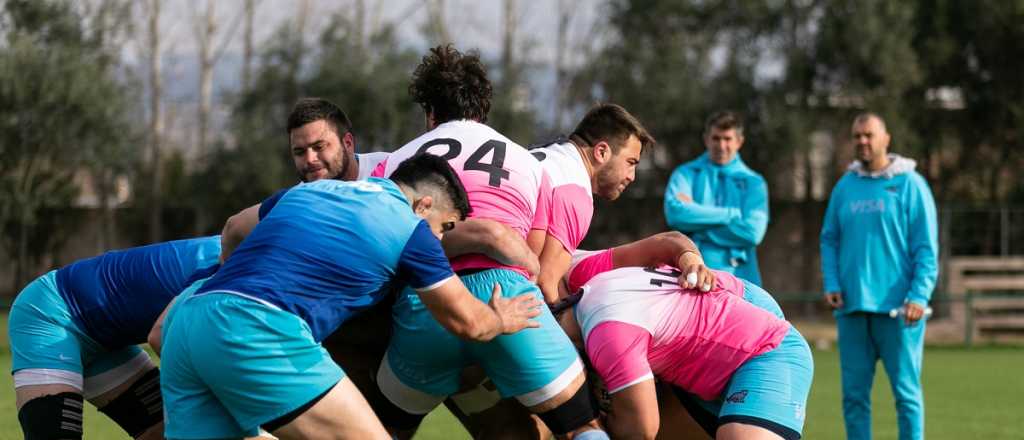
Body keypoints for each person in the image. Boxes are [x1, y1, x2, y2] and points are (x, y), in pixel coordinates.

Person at [159, 154, 541, 439]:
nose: (442, 239)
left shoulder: (313, 190)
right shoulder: (411, 230)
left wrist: (232, 286)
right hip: (258, 329)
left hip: (190, 322)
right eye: (446, 226)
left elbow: (234, 228)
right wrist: (501, 318)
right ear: (423, 205)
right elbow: (468, 323)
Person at [369, 45, 607, 440]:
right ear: (483, 109)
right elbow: (529, 258)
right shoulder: (530, 164)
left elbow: (385, 241)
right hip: (511, 299)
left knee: (380, 430)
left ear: (430, 113)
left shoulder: (396, 161)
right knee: (583, 425)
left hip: (429, 302)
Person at [559, 235, 813, 440]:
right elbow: (669, 240)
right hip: (724, 318)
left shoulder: (609, 331)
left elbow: (640, 430)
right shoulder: (576, 273)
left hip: (765, 347)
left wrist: (586, 426)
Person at [8, 236, 220, 440]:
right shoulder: (237, 273)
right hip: (50, 313)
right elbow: (163, 337)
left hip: (109, 340)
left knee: (172, 433)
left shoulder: (242, 258)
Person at [820, 112, 938, 440]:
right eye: (857, 136)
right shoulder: (845, 186)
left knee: (906, 396)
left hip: (899, 310)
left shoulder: (910, 184)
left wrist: (919, 295)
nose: (863, 142)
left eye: (869, 135)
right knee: (854, 398)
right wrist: (832, 282)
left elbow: (926, 248)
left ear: (886, 138)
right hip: (852, 308)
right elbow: (829, 237)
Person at [528, 103, 657, 305]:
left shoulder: (548, 155)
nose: (632, 177)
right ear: (602, 152)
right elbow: (545, 282)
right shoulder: (576, 188)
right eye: (630, 163)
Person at [663, 111, 769, 285]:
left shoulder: (754, 183)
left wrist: (696, 223)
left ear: (739, 142)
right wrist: (730, 215)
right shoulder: (685, 174)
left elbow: (752, 233)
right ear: (706, 139)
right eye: (716, 138)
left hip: (742, 278)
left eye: (727, 139)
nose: (721, 145)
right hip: (692, 276)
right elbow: (675, 215)